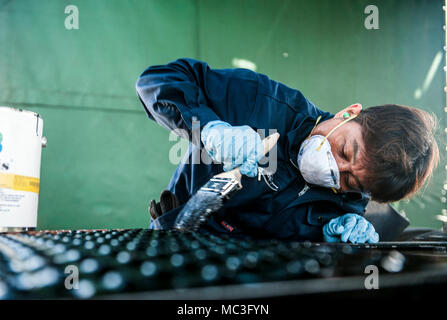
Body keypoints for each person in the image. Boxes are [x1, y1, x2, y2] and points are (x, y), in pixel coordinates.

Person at [136, 58, 439, 243]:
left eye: (351, 181)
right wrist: (211, 130)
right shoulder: (262, 102)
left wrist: (332, 238)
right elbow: (158, 80)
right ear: (348, 114)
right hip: (178, 238)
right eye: (345, 151)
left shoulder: (348, 202)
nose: (334, 168)